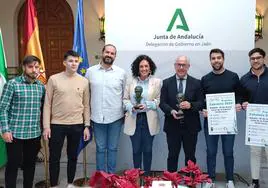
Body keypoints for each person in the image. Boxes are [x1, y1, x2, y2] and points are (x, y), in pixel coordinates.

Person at [42, 50, 90, 188]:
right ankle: (54, 184)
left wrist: (87, 125)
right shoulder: (54, 79)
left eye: (76, 61)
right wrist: (46, 126)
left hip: (77, 125)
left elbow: (86, 105)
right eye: (70, 61)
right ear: (64, 63)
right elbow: (47, 104)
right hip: (57, 125)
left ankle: (70, 183)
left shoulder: (84, 81)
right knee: (54, 158)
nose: (73, 63)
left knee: (73, 157)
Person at [0, 55, 45, 188]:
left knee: (30, 165)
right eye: (30, 67)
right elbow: (3, 109)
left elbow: (43, 109)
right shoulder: (12, 84)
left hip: (34, 133)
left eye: (37, 67)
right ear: (24, 67)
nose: (34, 70)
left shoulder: (40, 87)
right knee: (13, 165)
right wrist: (5, 130)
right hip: (15, 134)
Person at [201, 48, 241, 188]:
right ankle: (210, 179)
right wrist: (203, 109)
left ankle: (229, 179)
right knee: (211, 151)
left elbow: (240, 94)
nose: (216, 60)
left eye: (219, 58)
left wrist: (238, 104)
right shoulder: (205, 79)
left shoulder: (233, 76)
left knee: (228, 151)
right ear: (210, 60)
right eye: (213, 58)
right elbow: (201, 100)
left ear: (223, 59)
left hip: (229, 122)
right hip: (211, 122)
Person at [85, 44, 127, 173]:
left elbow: (125, 95)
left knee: (113, 148)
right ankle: (102, 178)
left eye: (112, 53)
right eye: (107, 52)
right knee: (100, 149)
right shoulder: (90, 72)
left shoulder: (121, 73)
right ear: (102, 53)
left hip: (116, 118)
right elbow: (86, 95)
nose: (109, 55)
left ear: (115, 56)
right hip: (97, 118)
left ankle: (111, 177)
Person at [159, 55, 203, 172]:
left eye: (184, 65)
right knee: (172, 156)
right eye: (179, 64)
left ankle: (190, 182)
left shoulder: (197, 83)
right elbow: (162, 103)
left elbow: (201, 103)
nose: (181, 67)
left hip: (191, 126)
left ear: (188, 66)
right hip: (172, 126)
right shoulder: (166, 83)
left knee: (190, 157)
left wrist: (191, 105)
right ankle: (172, 181)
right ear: (175, 66)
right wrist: (171, 110)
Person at [123, 55, 161, 176]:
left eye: (146, 66)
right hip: (134, 118)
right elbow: (125, 100)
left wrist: (147, 105)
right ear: (137, 68)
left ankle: (147, 176)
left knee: (148, 150)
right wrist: (132, 107)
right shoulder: (130, 81)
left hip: (149, 120)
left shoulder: (157, 82)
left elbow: (158, 101)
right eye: (141, 66)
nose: (144, 68)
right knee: (136, 150)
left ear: (150, 68)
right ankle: (137, 177)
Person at [240, 48, 268, 188]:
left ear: (264, 58)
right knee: (255, 152)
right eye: (252, 58)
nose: (255, 60)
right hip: (254, 124)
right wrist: (243, 103)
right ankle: (255, 181)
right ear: (250, 60)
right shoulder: (244, 79)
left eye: (258, 58)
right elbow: (241, 98)